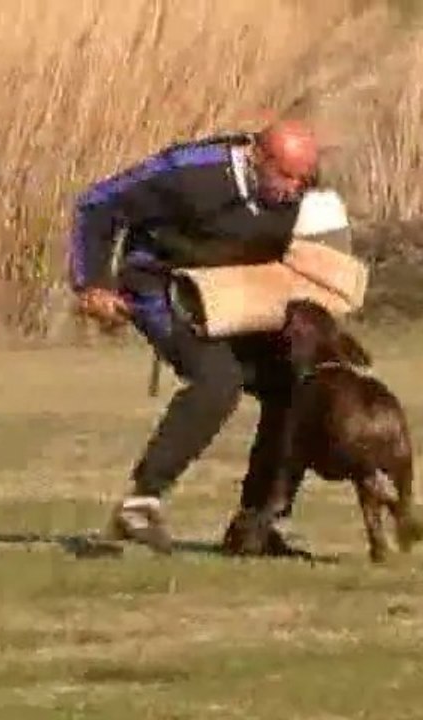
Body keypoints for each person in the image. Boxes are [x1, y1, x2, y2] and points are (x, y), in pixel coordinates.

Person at [67, 119, 322, 554]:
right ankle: (142, 502)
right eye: (286, 176)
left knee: (296, 383)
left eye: (305, 179)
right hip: (159, 288)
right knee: (218, 379)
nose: (295, 190)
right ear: (258, 157)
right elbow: (97, 204)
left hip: (235, 295)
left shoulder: (301, 193)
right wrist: (92, 283)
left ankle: (256, 525)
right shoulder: (189, 172)